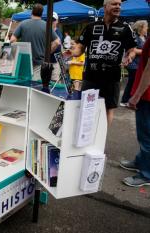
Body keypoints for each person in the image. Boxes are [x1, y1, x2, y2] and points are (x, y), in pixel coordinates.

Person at [71, 0, 136, 125]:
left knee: (108, 108)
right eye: (114, 4)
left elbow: (131, 49)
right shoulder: (91, 26)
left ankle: (102, 140)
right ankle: (86, 139)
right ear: (105, 6)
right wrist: (73, 51)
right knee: (87, 108)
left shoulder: (125, 28)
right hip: (91, 76)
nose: (118, 6)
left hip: (112, 77)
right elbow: (80, 48)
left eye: (119, 4)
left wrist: (130, 56)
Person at [120, 36, 150, 187]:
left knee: (146, 136)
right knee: (144, 134)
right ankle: (140, 162)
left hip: (147, 96)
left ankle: (146, 174)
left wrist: (137, 95)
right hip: (146, 94)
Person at [10, 3, 60, 81]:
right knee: (35, 87)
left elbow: (12, 40)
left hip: (24, 62)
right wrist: (48, 52)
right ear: (41, 14)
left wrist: (18, 53)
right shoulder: (46, 25)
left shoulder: (23, 24)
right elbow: (57, 42)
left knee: (24, 84)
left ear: (32, 12)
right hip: (40, 63)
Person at [120, 20, 148, 107]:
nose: (147, 28)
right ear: (141, 28)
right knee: (133, 82)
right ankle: (125, 100)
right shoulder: (135, 37)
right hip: (133, 64)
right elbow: (132, 50)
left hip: (139, 64)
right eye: (145, 27)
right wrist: (145, 51)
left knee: (134, 82)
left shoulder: (145, 38)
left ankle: (131, 100)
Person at [50, 12, 63, 82]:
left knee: (54, 81)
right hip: (46, 62)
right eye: (50, 20)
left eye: (53, 20)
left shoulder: (58, 32)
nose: (52, 21)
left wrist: (48, 50)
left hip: (55, 62)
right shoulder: (46, 31)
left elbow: (57, 43)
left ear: (57, 21)